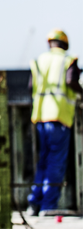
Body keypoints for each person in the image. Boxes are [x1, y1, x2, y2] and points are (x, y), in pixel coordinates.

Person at [27, 29, 83, 216]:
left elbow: (30, 87)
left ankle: (34, 203)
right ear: (65, 44)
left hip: (40, 117)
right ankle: (48, 206)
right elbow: (72, 81)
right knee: (55, 163)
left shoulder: (38, 61)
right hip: (59, 117)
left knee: (43, 161)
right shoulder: (68, 60)